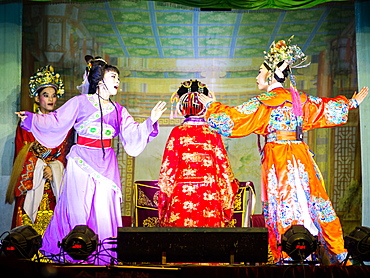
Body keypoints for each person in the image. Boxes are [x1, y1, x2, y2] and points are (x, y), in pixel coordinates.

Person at [199, 36, 368, 264]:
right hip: (301, 155)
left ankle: (286, 256)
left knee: (284, 200)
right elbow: (322, 109)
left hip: (278, 158)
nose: (257, 76)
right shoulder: (298, 100)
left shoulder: (266, 102)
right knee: (313, 200)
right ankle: (335, 255)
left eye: (260, 71)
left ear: (270, 74)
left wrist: (211, 105)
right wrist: (350, 103)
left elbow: (233, 119)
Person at [16, 58, 167, 264]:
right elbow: (56, 120)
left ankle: (103, 256)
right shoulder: (80, 102)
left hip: (106, 164)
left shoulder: (119, 110)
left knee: (104, 211)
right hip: (81, 160)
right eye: (113, 76)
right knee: (78, 207)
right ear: (100, 80)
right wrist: (31, 119)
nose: (118, 81)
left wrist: (151, 121)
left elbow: (133, 134)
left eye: (119, 78)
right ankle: (72, 253)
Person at [158, 79, 239, 227]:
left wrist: (164, 199)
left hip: (181, 192)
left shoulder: (177, 132)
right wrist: (229, 188)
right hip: (209, 192)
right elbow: (223, 168)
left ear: (182, 105)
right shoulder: (213, 133)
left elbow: (167, 170)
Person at [6, 65, 73, 236]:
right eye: (45, 95)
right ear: (37, 99)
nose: (51, 99)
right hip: (34, 181)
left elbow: (66, 154)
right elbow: (23, 153)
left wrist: (55, 167)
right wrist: (40, 167)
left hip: (54, 183)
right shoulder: (27, 124)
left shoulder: (64, 125)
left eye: (54, 95)